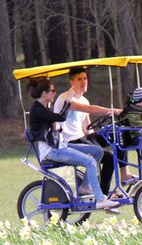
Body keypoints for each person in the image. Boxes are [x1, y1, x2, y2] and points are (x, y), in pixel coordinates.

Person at [27, 77, 118, 210]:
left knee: (98, 152)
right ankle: (100, 199)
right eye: (52, 91)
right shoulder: (38, 109)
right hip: (52, 151)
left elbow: (55, 122)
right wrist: (68, 99)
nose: (54, 93)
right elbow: (61, 117)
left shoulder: (44, 107)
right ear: (44, 93)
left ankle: (85, 188)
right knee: (90, 162)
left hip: (59, 146)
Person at [53, 67, 137, 194]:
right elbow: (91, 109)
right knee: (109, 157)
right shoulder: (66, 98)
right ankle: (101, 195)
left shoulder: (84, 100)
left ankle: (123, 176)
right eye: (79, 79)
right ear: (71, 82)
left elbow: (87, 129)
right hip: (70, 142)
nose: (83, 82)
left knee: (118, 133)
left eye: (85, 78)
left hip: (83, 138)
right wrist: (114, 111)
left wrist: (100, 141)